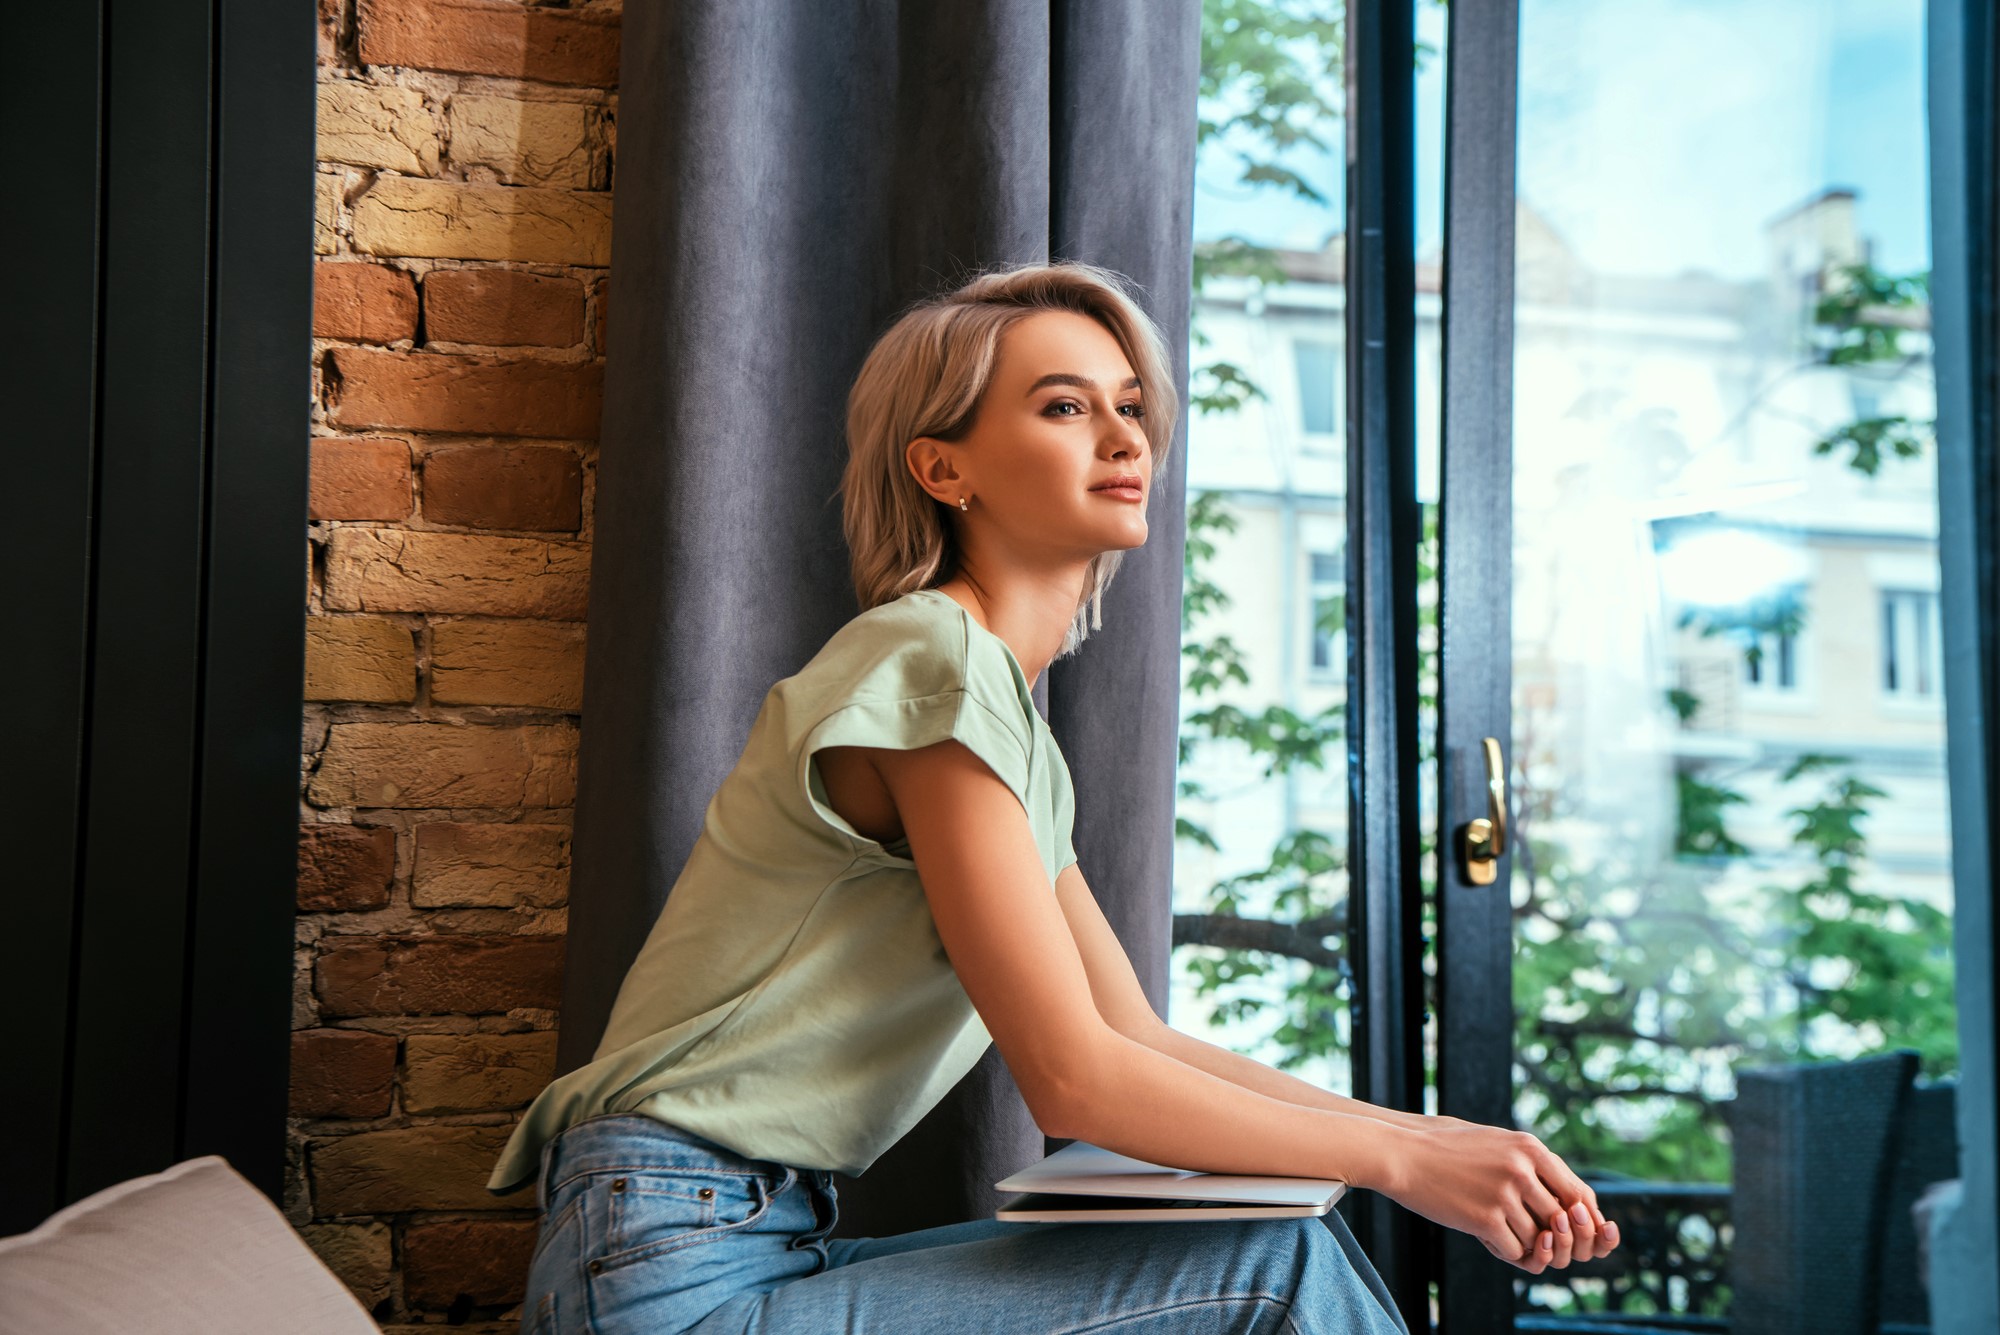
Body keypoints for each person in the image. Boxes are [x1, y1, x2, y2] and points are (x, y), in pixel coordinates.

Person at [487, 261, 1621, 1334]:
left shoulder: (1003, 723)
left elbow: (1133, 1037)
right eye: (1065, 408)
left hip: (741, 1240)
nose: (1125, 436)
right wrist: (1405, 1166)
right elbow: (1076, 1080)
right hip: (668, 1266)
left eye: (1130, 406)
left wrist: (1430, 1135)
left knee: (1273, 1252)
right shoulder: (928, 662)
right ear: (944, 469)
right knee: (1271, 1268)